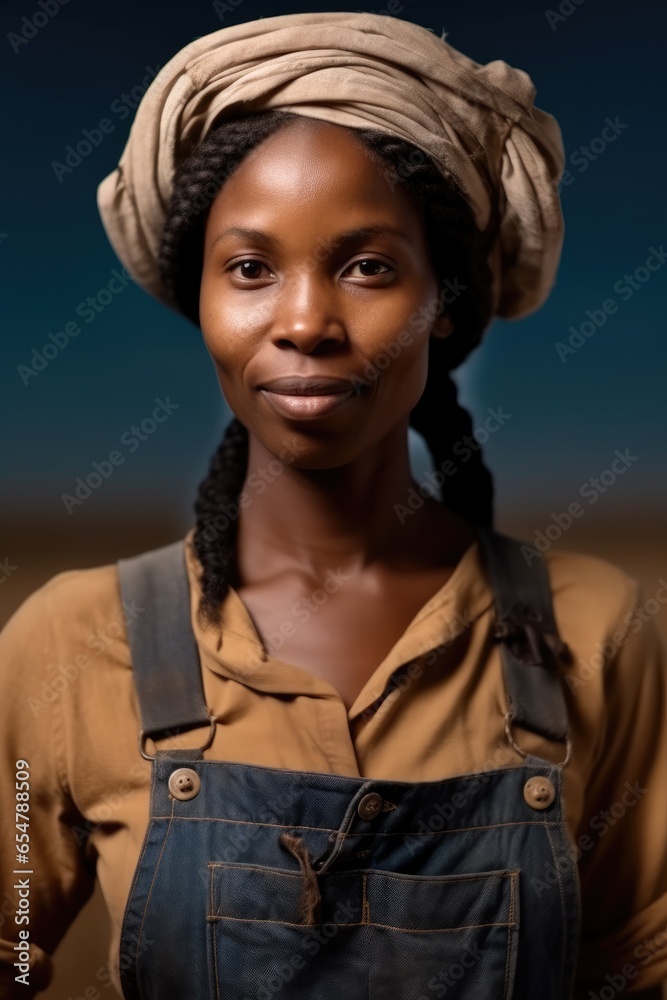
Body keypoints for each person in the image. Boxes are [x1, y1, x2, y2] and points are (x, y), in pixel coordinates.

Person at [1, 11, 665, 1000]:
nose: (306, 321)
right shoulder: (70, 640)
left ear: (444, 300)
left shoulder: (596, 629)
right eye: (250, 268)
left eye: (367, 266)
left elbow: (638, 964)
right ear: (202, 299)